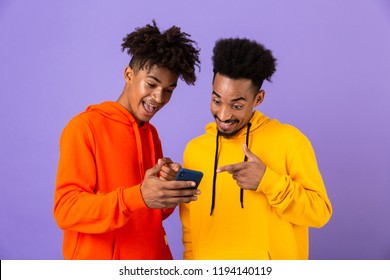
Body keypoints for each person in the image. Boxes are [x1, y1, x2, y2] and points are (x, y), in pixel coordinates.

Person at [54, 20, 200, 260]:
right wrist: (139, 196)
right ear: (128, 74)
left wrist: (167, 190)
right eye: (151, 84)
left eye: (169, 90)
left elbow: (153, 213)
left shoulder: (150, 134)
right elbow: (66, 210)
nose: (159, 97)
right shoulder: (84, 127)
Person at [179, 38, 332, 260]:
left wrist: (269, 182)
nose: (223, 115)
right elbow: (190, 227)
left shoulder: (290, 140)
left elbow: (320, 214)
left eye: (237, 105)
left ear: (258, 99)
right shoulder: (195, 150)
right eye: (217, 100)